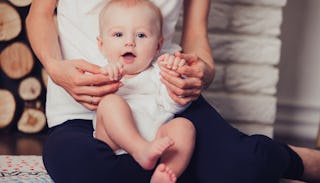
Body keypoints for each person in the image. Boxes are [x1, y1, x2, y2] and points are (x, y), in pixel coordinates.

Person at [26, 0, 320, 183]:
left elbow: (195, 34)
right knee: (80, 168)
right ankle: (191, 168)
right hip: (82, 109)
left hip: (166, 106)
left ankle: (292, 159)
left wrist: (201, 72)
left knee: (245, 166)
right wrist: (55, 67)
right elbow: (39, 14)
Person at [93, 1, 195, 182]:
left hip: (156, 140)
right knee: (110, 103)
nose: (129, 42)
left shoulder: (159, 73)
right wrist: (109, 77)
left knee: (184, 126)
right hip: (114, 141)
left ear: (158, 45)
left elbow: (173, 106)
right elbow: (93, 102)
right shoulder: (104, 72)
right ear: (102, 45)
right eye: (118, 34)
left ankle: (165, 172)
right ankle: (139, 148)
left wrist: (176, 77)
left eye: (141, 35)